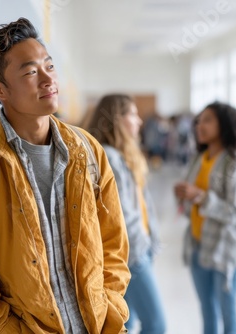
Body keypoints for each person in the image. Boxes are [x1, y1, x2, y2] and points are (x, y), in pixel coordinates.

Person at [0, 18, 130, 333]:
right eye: (31, 72)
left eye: (50, 66)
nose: (48, 79)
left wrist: (110, 306)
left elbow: (114, 243)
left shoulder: (88, 150)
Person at [174, 102, 236, 334]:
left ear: (224, 125)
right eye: (199, 120)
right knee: (207, 309)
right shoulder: (200, 158)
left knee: (228, 312)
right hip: (198, 245)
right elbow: (189, 205)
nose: (199, 125)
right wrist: (184, 196)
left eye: (207, 120)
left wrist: (201, 197)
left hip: (226, 251)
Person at [87, 94, 166, 334]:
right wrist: (142, 248)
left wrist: (152, 239)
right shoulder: (109, 155)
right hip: (131, 254)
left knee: (125, 321)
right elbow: (120, 213)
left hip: (137, 249)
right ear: (117, 119)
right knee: (156, 324)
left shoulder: (122, 154)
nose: (139, 121)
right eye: (133, 114)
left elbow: (142, 203)